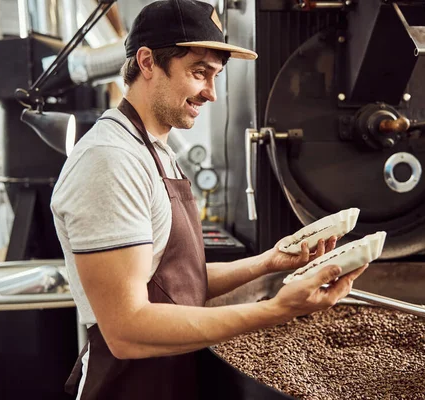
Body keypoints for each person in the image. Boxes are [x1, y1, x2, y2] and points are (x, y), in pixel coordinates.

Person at [50, 0, 368, 399]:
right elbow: (127, 330)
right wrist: (276, 310)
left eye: (215, 76)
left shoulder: (155, 149)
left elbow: (173, 284)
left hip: (171, 376)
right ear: (147, 62)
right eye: (199, 73)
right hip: (127, 386)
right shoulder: (111, 160)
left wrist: (268, 263)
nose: (211, 93)